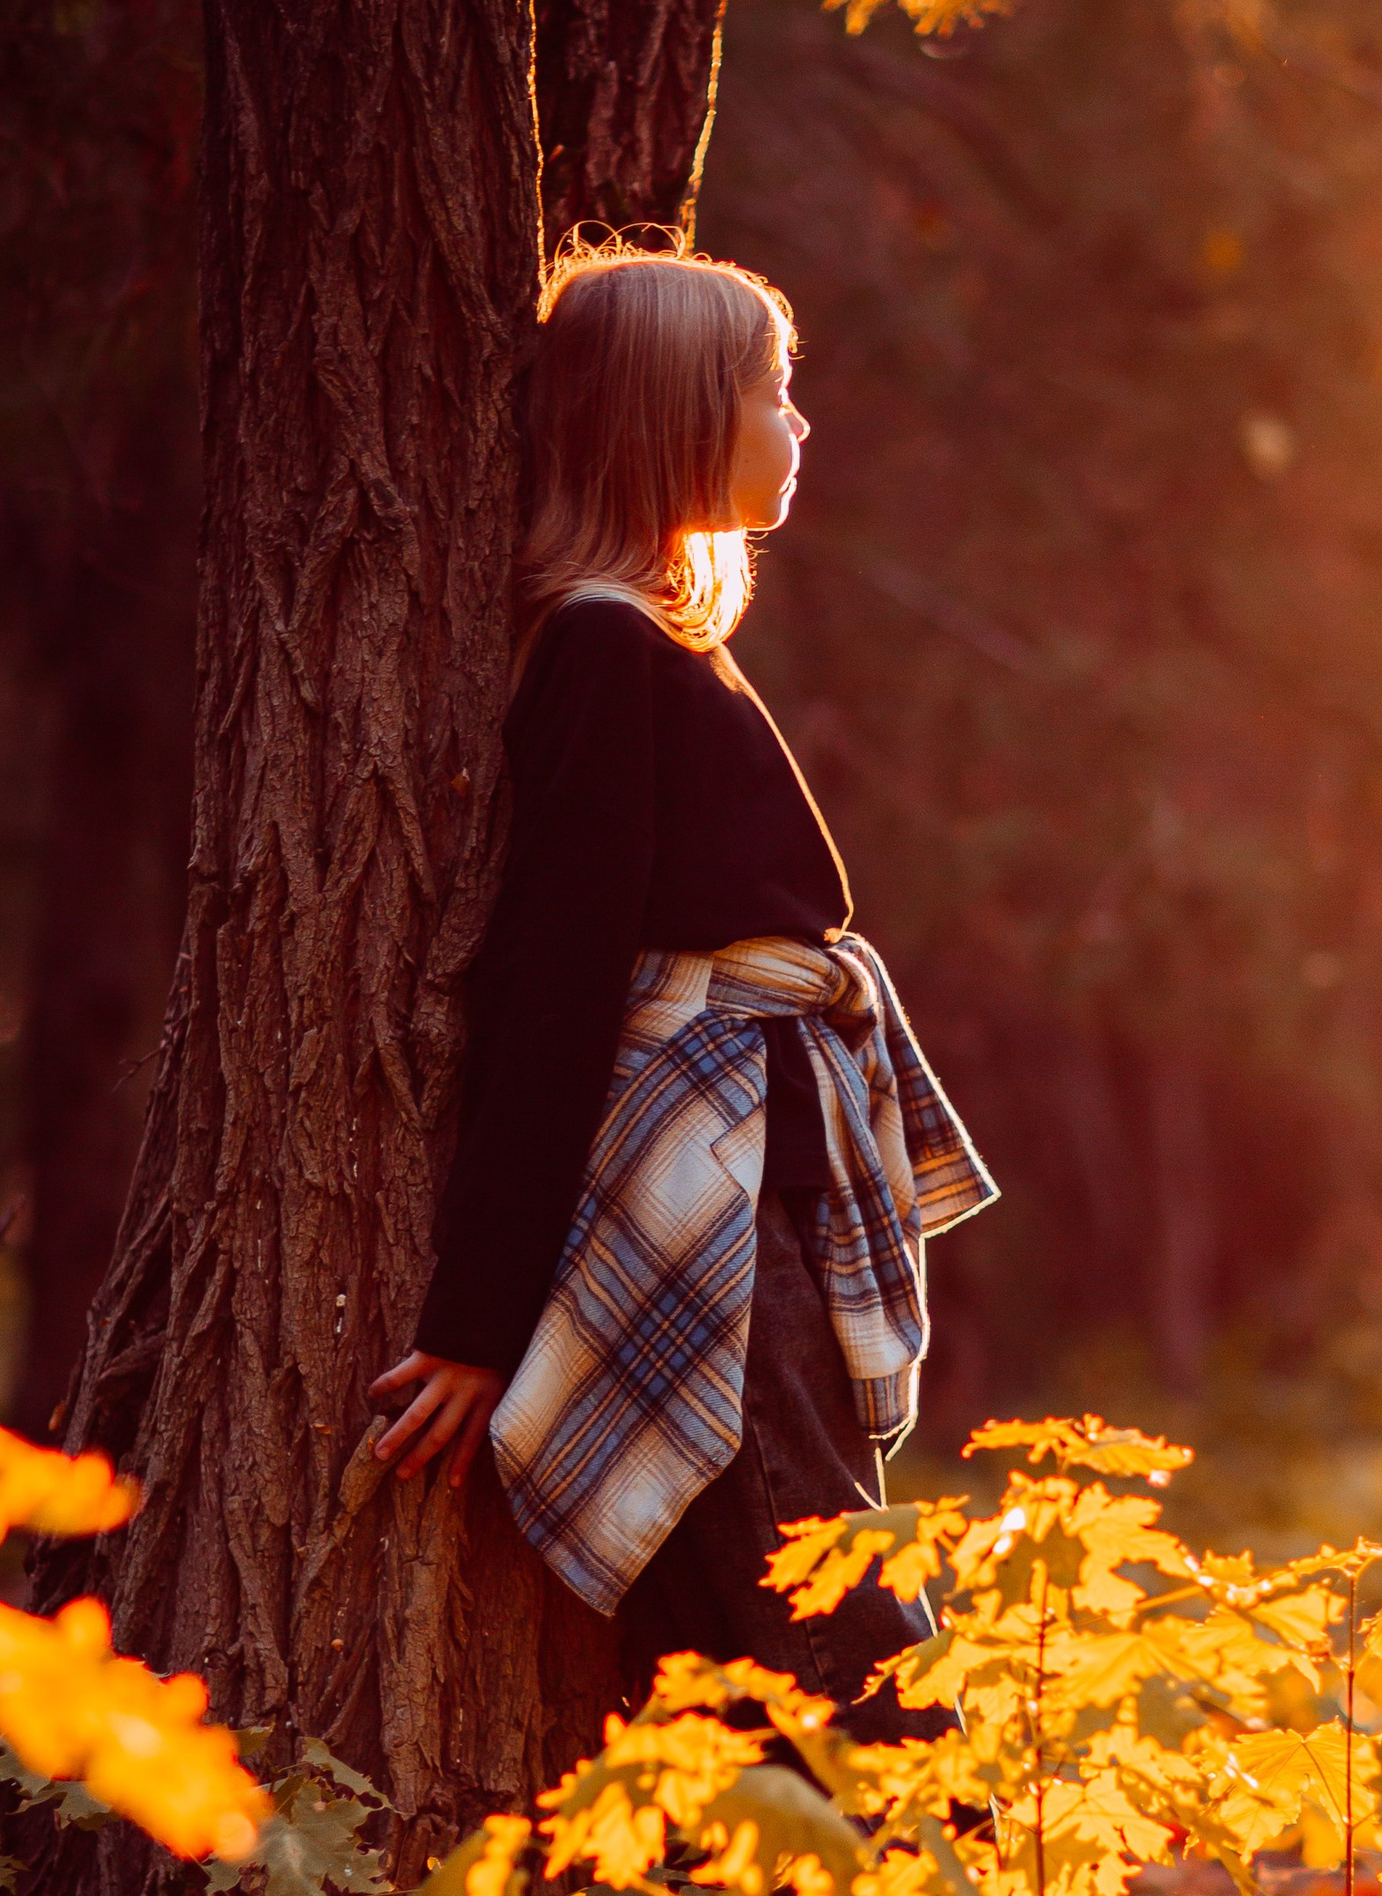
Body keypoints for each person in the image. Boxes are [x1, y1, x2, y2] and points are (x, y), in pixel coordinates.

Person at [365, 239, 996, 1735]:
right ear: (677, 419)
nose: (800, 423)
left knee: (767, 1644)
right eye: (773, 392)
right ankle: (947, 1889)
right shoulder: (604, 645)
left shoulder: (655, 639)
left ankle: (860, 1885)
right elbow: (556, 980)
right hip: (708, 1193)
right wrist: (476, 1317)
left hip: (756, 1171)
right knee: (832, 1621)